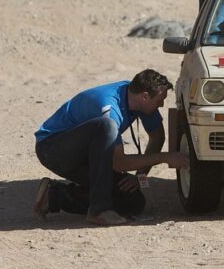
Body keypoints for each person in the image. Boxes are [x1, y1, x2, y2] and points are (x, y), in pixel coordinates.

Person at [32, 69, 189, 226]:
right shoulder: (108, 106)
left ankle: (54, 196)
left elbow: (157, 137)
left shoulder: (138, 98)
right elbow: (119, 163)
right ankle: (99, 210)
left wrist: (139, 176)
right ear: (145, 96)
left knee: (134, 202)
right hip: (53, 149)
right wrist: (166, 157)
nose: (161, 104)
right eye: (159, 100)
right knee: (106, 126)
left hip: (89, 154)